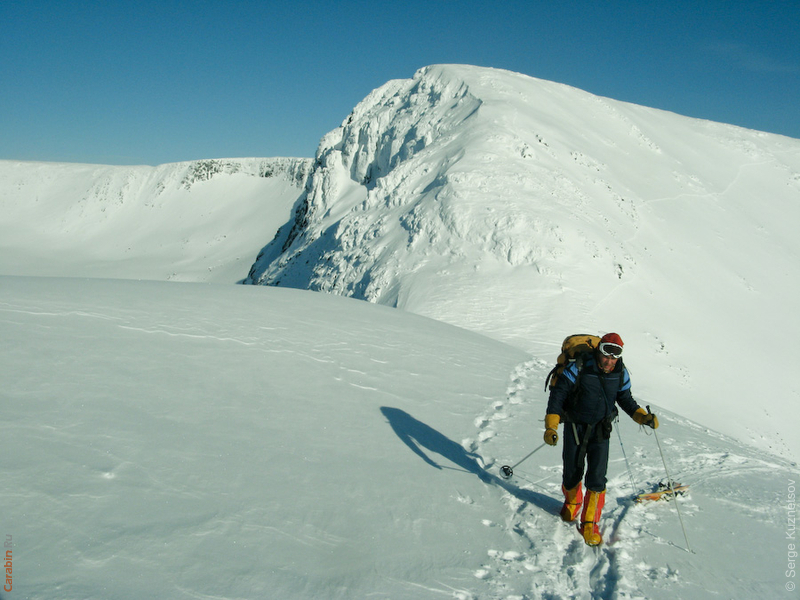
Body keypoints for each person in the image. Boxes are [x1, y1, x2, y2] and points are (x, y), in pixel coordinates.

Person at [543, 332, 658, 546]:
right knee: (571, 472)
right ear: (599, 350)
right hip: (575, 426)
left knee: (597, 477)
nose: (609, 360)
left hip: (600, 430)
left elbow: (625, 399)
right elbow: (558, 394)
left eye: (615, 356)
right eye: (606, 353)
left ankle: (590, 523)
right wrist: (551, 425)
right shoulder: (578, 366)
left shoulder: (620, 373)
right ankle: (573, 503)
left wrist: (641, 416)